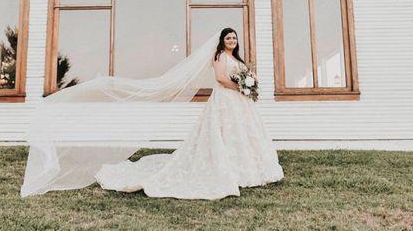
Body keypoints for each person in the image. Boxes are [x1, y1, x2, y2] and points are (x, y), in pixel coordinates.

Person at [20, 27, 284, 199]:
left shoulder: (237, 59)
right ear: (221, 41)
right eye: (228, 38)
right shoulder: (219, 58)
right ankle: (227, 168)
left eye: (234, 38)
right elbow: (220, 79)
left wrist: (248, 84)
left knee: (242, 136)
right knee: (223, 135)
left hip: (239, 103)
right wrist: (240, 85)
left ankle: (248, 168)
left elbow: (241, 75)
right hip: (226, 100)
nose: (232, 41)